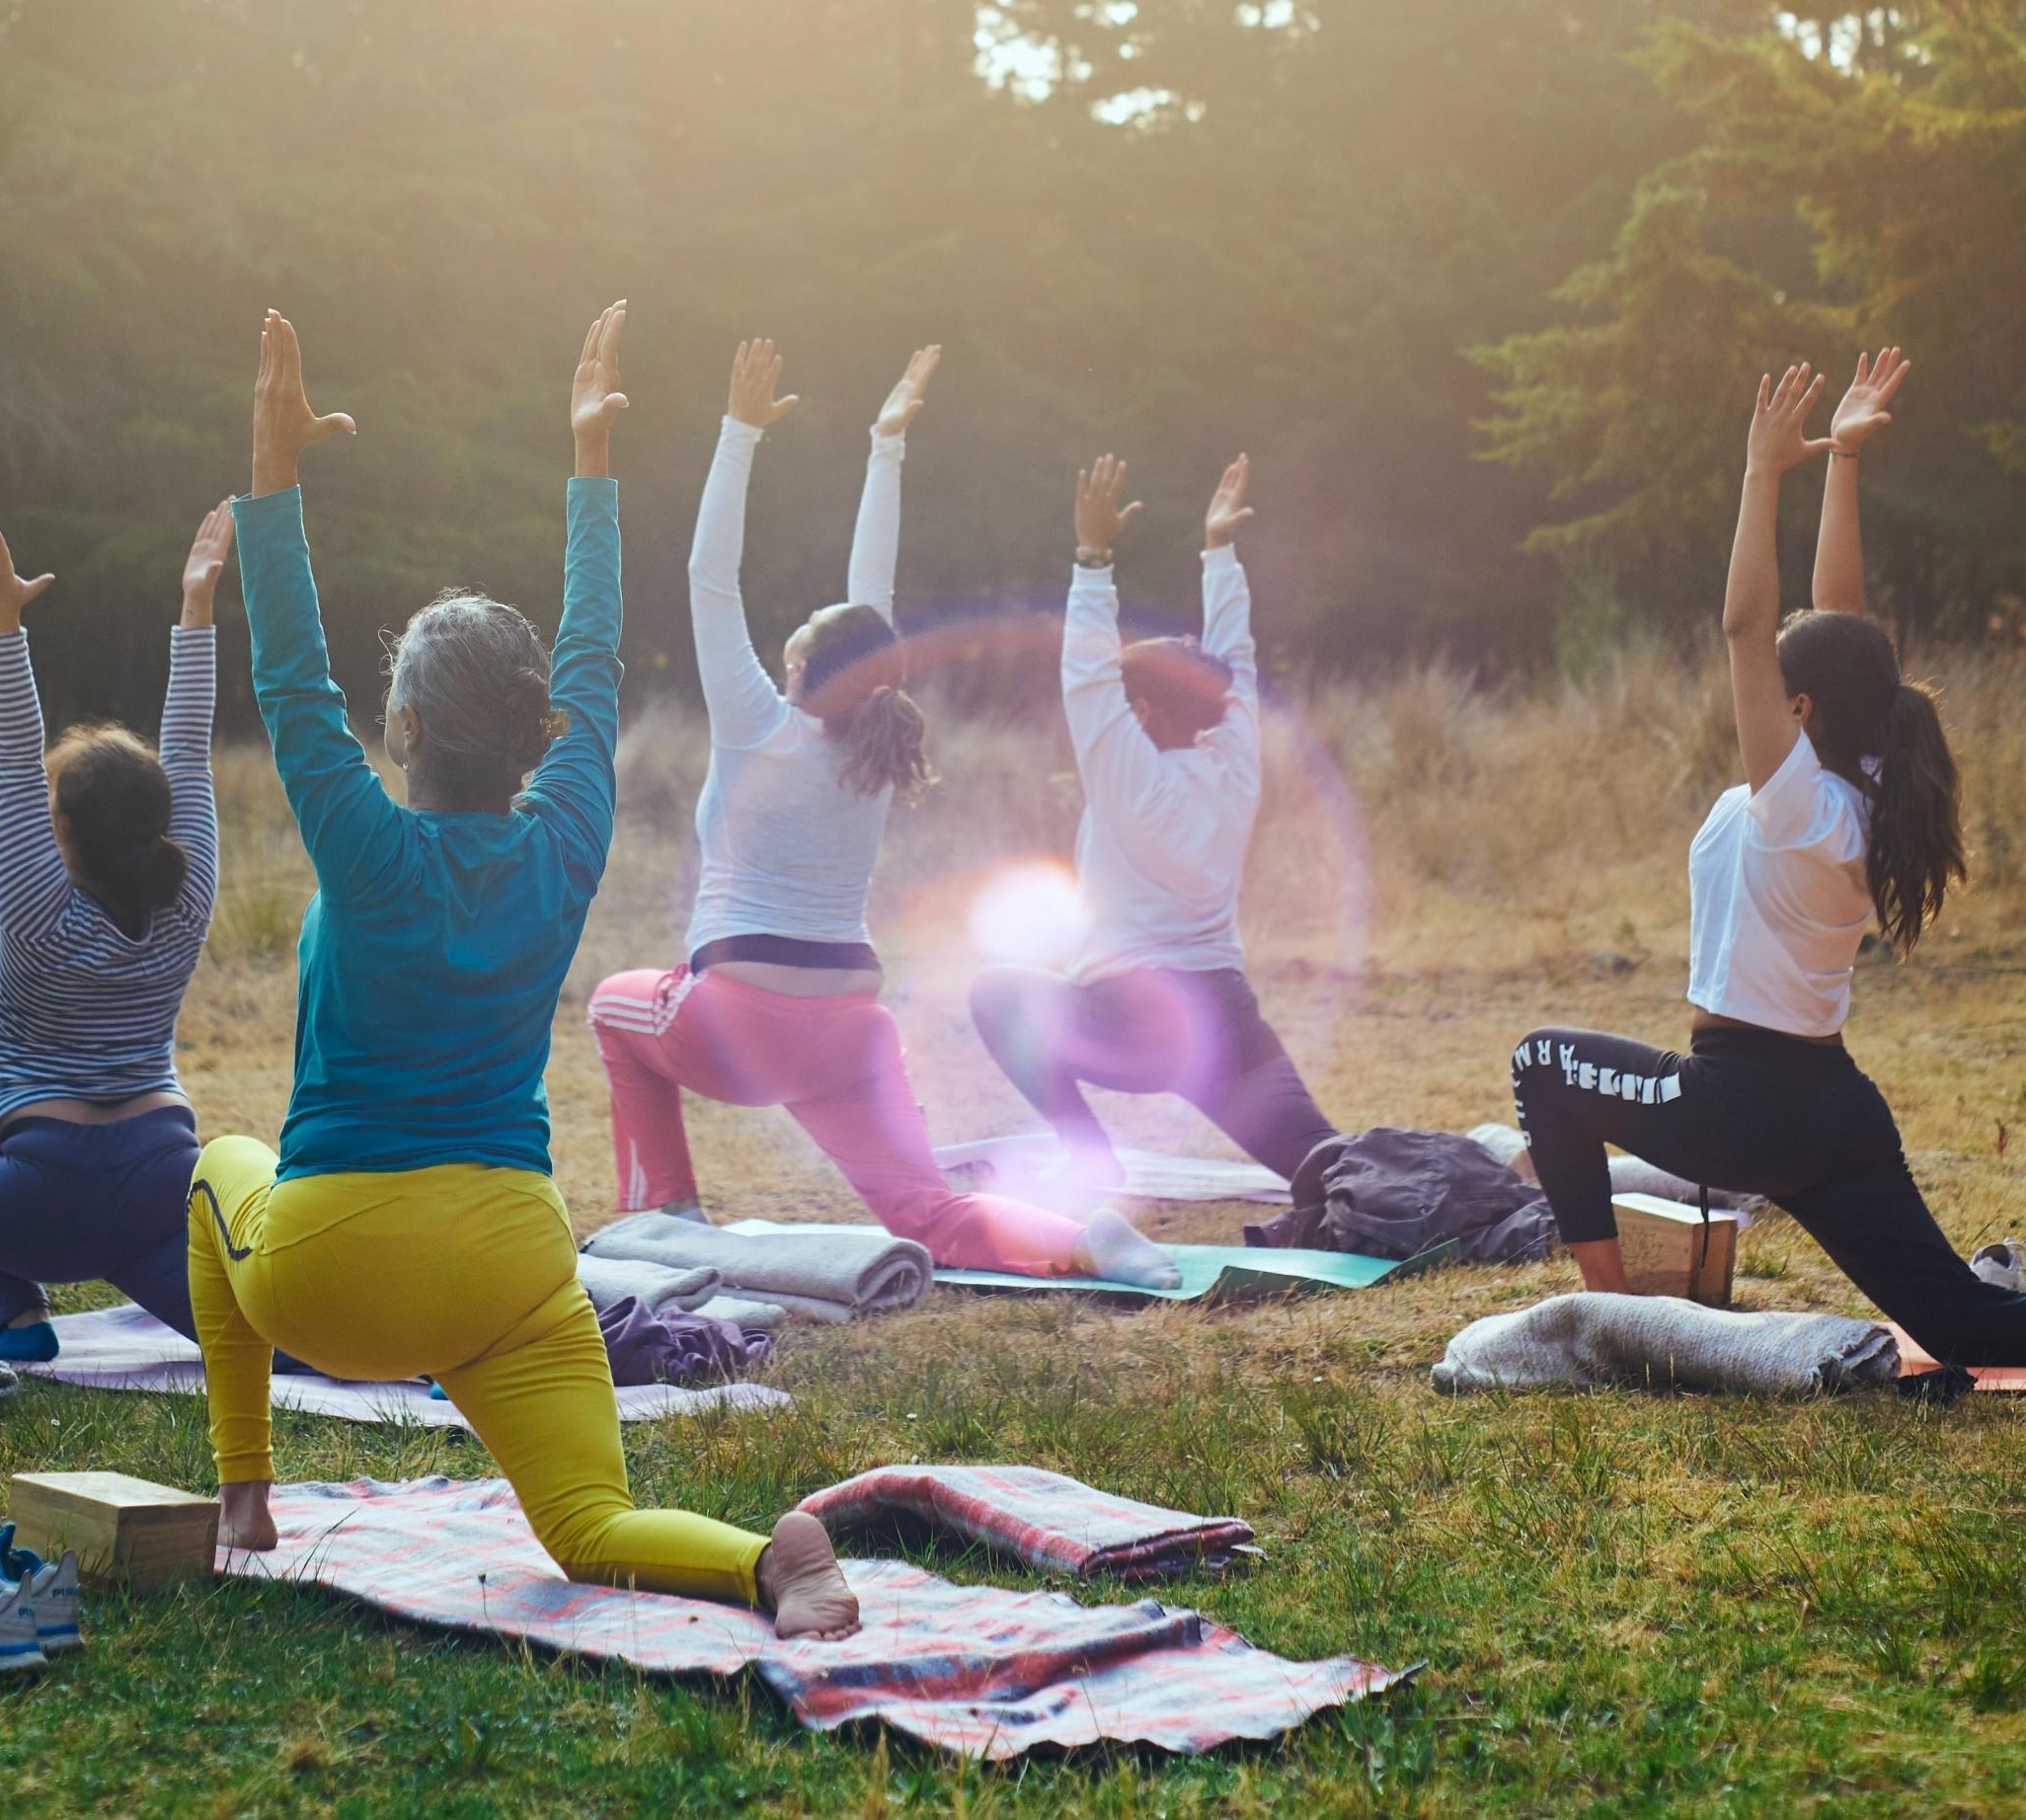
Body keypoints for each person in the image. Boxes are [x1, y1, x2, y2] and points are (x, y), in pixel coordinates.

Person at [187, 304, 857, 1638]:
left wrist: (273, 483)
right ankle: (769, 1559)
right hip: (511, 1261)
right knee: (587, 1525)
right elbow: (594, 668)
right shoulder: (564, 845)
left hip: (335, 1272)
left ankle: (244, 1492)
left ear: (409, 727)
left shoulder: (366, 844)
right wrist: (591, 472)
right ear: (534, 732)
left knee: (216, 1161)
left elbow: (289, 676)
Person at [1509, 352, 2026, 1368]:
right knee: (1967, 1326)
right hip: (1828, 1111)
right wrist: (1842, 459)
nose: (1760, 683)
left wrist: (1761, 472)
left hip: (1740, 1105)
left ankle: (1619, 1323)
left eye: (1777, 683)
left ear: (1797, 707)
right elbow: (1836, 618)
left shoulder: (1800, 802)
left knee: (1538, 1063)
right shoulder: (1856, 781)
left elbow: (1743, 623)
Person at [586, 342, 1177, 1289]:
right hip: (851, 1026)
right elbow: (876, 603)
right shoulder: (872, 744)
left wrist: (738, 431)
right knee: (927, 1210)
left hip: (735, 1022)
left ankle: (669, 1215)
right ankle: (1091, 1238)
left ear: (797, 668)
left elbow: (710, 574)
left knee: (613, 1007)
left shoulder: (759, 725)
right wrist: (885, 446)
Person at [969, 453, 1340, 1196]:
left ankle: (1089, 1158)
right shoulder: (1234, 764)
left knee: (996, 993)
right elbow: (1236, 658)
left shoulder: (1126, 779)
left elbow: (1085, 678)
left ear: (1141, 713)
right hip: (1225, 1026)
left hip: (1130, 1025)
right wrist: (1219, 553)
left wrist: (1093, 558)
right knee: (1332, 1168)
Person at [0, 502, 231, 1362]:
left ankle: (13, 1321)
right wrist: (197, 610)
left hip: (36, 1204)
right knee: (257, 1334)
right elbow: (190, 750)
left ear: (58, 833)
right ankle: (389, 1344)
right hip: (162, 1187)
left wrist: (4, 622)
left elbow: (15, 753)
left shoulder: (36, 913)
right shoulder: (189, 895)